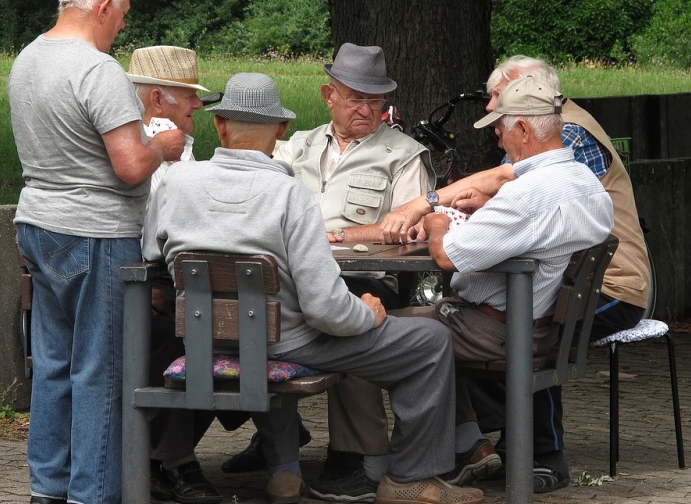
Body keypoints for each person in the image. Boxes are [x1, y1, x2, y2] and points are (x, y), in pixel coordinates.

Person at [142, 71, 485, 504]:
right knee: (431, 338)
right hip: (286, 343)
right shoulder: (290, 195)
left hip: (202, 338)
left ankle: (288, 465)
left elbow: (152, 256)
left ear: (220, 125)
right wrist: (367, 312)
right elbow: (325, 310)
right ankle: (410, 477)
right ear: (282, 130)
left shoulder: (174, 183)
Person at [224, 42, 442, 492]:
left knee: (350, 313)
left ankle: (354, 457)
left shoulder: (403, 154)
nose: (366, 108)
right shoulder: (293, 147)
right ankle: (279, 443)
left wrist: (342, 237)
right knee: (253, 309)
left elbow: (407, 229)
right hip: (289, 283)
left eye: (375, 100)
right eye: (355, 97)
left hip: (367, 277)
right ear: (328, 95)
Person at [9, 0, 186, 503]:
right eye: (125, 13)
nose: (125, 23)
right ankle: (92, 494)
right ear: (103, 6)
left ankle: (49, 489)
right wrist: (166, 144)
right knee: (100, 373)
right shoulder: (97, 69)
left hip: (38, 224)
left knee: (54, 366)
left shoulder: (27, 59)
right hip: (97, 233)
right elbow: (130, 165)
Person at [406, 74, 614, 491]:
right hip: (542, 324)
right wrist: (490, 210)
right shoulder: (584, 182)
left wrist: (435, 222)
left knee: (371, 332)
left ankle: (380, 468)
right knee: (420, 325)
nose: (497, 138)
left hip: (502, 329)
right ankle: (469, 447)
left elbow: (447, 256)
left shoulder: (530, 192)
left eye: (500, 128)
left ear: (522, 129)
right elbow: (537, 230)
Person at [462, 55, 652, 493]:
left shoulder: (570, 133)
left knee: (534, 322)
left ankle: (541, 455)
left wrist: (432, 202)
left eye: (497, 96)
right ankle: (501, 444)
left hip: (614, 286)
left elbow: (530, 190)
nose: (490, 106)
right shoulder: (557, 128)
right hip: (580, 277)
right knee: (507, 311)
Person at [127, 44, 222, 504]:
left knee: (221, 323)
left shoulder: (163, 139)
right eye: (189, 95)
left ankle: (163, 458)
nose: (199, 105)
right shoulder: (156, 142)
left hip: (162, 275)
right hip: (142, 277)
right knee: (200, 334)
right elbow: (163, 231)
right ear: (158, 100)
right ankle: (171, 460)